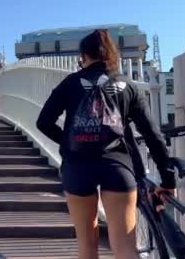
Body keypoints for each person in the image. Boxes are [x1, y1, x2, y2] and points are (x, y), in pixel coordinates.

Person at [36, 29, 176, 259]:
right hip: (117, 166)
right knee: (124, 248)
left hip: (78, 167)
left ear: (83, 55)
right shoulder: (127, 85)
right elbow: (152, 134)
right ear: (112, 55)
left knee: (87, 246)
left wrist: (69, 142)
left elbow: (43, 122)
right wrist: (167, 178)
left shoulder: (71, 83)